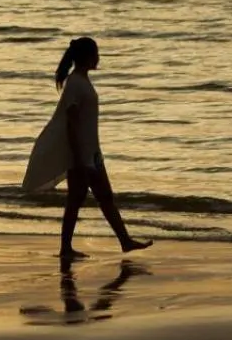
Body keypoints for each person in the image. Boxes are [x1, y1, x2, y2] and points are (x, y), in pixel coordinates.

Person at [27, 36, 151, 261]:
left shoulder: (81, 80)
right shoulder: (75, 83)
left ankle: (119, 241)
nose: (98, 58)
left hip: (91, 152)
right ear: (86, 56)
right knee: (94, 197)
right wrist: (77, 157)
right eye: (96, 53)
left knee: (90, 198)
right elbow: (71, 122)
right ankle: (115, 242)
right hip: (82, 155)